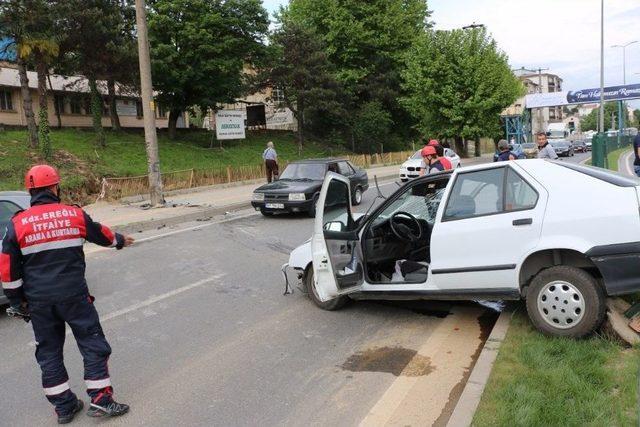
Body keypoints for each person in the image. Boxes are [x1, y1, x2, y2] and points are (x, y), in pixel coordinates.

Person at [0, 165, 134, 423]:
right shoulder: (72, 214)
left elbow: (7, 268)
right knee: (92, 342)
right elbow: (99, 232)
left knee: (48, 352)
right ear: (54, 187)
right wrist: (119, 240)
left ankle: (64, 406)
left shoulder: (18, 223)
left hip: (39, 301)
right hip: (74, 297)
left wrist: (18, 303)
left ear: (30, 191)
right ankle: (101, 400)